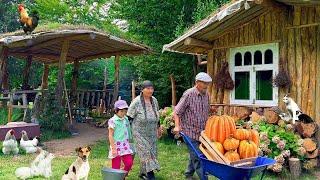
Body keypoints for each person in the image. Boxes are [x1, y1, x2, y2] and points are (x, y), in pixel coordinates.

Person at [173, 72, 212, 180]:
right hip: (189, 132)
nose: (206, 85)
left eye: (207, 83)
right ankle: (204, 178)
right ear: (197, 82)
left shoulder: (207, 95)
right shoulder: (189, 94)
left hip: (202, 133)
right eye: (204, 83)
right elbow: (177, 112)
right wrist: (177, 126)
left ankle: (188, 174)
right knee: (199, 157)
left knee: (194, 154)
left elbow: (206, 111)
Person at [127, 80, 162, 180]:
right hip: (139, 132)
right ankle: (150, 175)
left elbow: (157, 115)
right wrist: (125, 133)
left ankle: (142, 173)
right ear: (142, 90)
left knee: (152, 152)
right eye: (148, 88)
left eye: (152, 88)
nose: (151, 90)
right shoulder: (136, 102)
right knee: (146, 152)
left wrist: (158, 128)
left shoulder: (154, 100)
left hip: (151, 132)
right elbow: (129, 117)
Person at [108, 99, 134, 176]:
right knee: (116, 167)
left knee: (129, 163)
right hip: (116, 145)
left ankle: (122, 175)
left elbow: (128, 130)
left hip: (125, 145)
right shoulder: (112, 121)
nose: (123, 113)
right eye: (121, 111)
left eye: (125, 111)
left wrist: (130, 140)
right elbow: (110, 135)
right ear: (116, 111)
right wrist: (113, 148)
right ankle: (117, 177)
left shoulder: (125, 119)